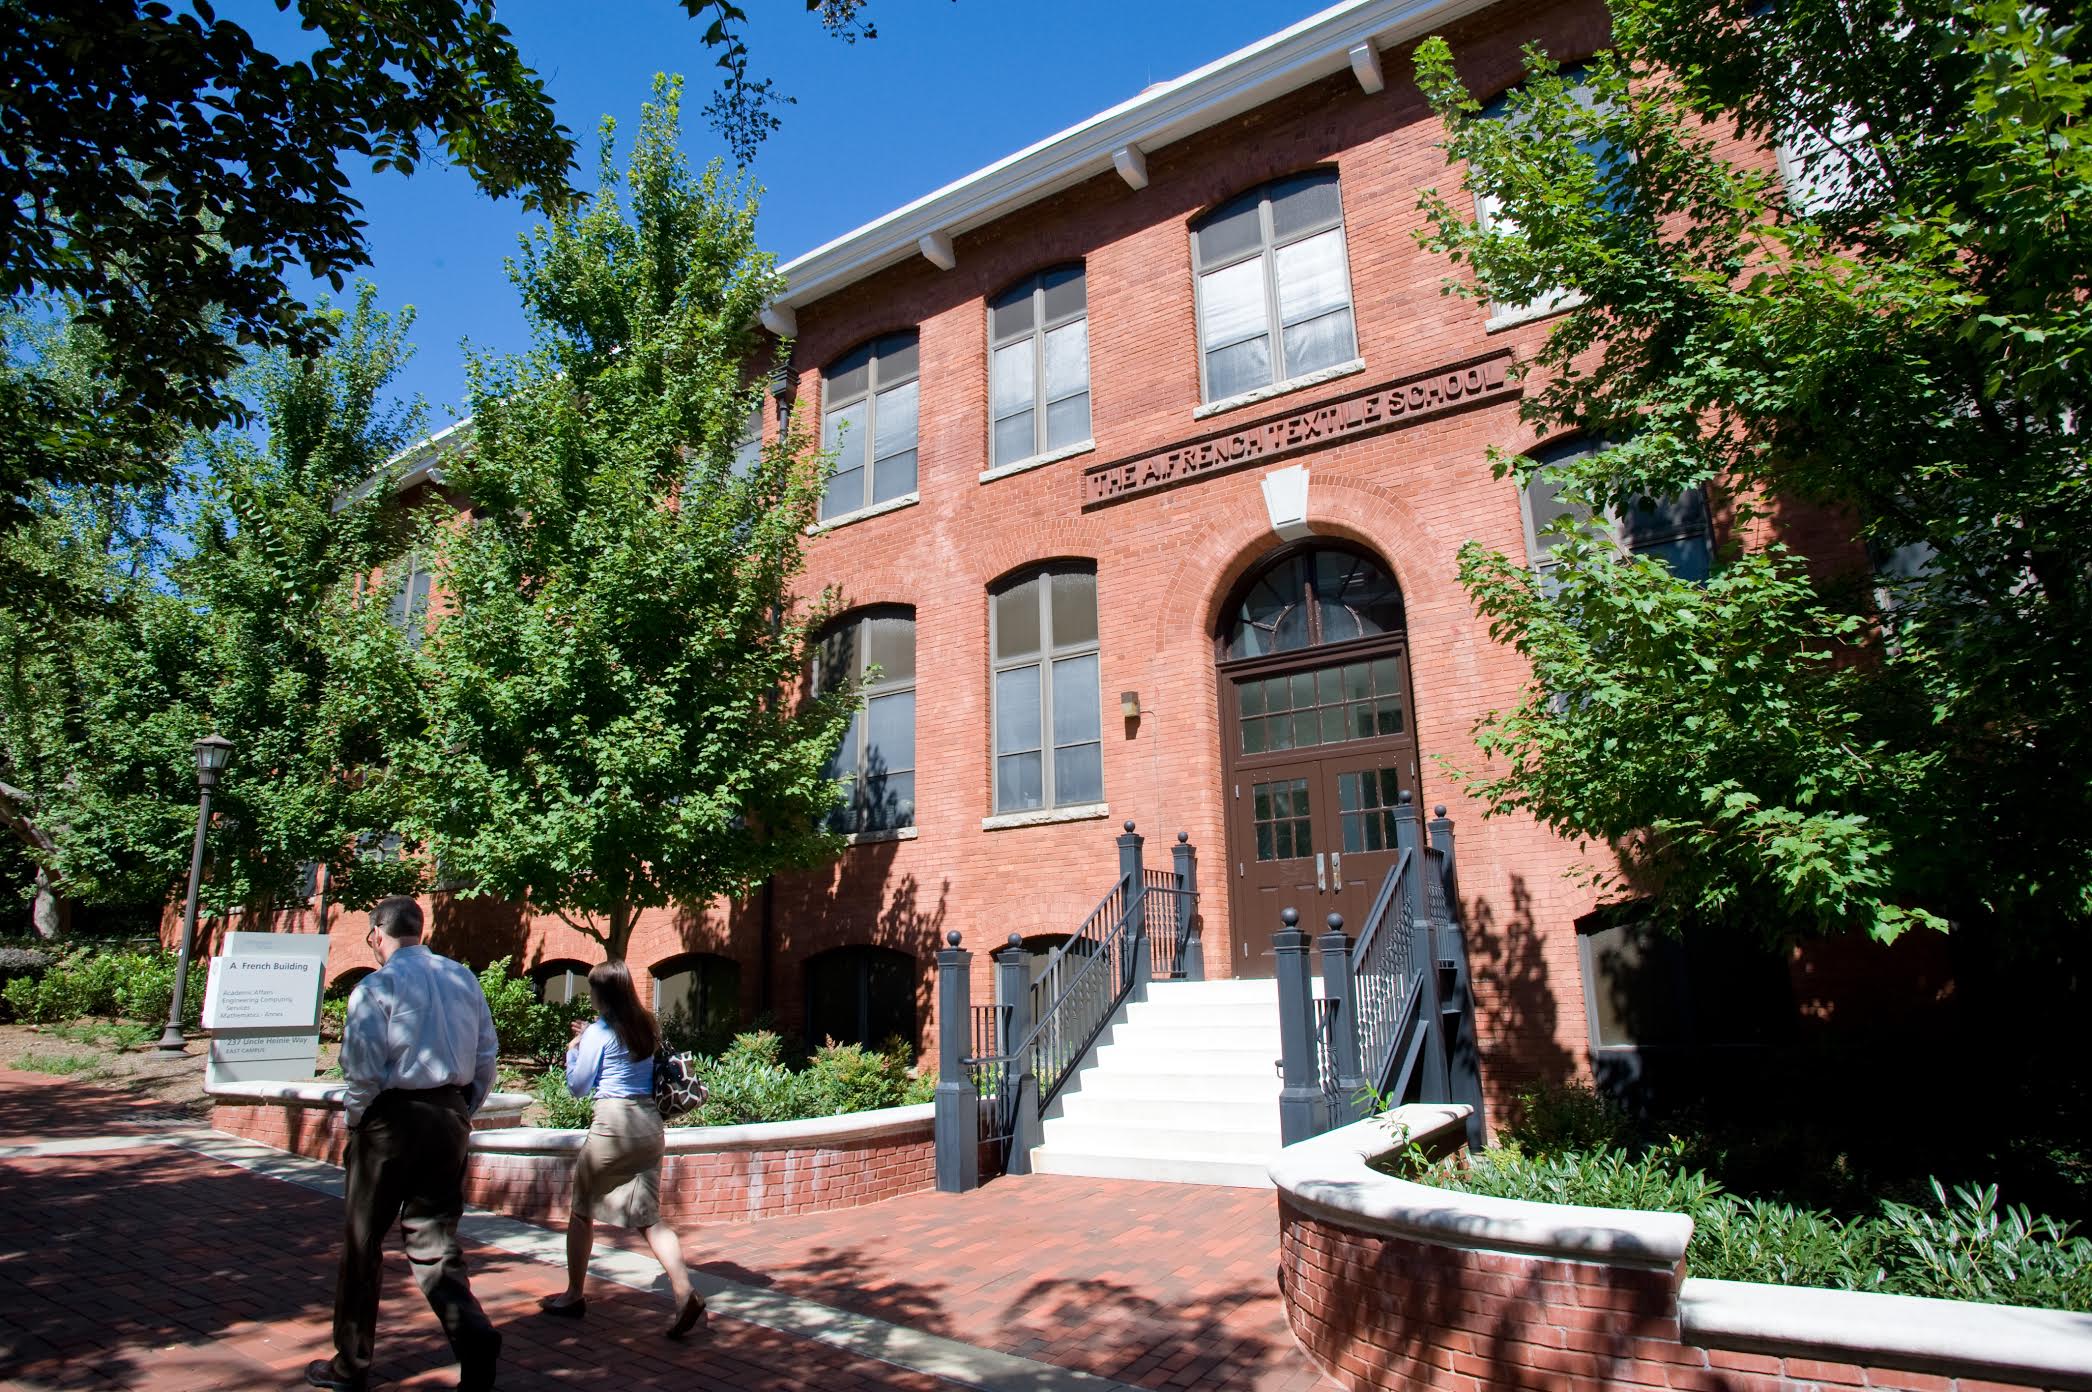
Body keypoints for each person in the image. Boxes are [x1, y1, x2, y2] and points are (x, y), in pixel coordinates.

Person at [306, 896, 502, 1392]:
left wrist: (358, 1123)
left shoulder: (376, 987)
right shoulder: (464, 978)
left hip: (389, 1121)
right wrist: (463, 1108)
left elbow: (362, 1069)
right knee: (435, 1242)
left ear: (376, 933)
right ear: (420, 928)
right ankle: (474, 1338)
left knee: (363, 1241)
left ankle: (351, 1363)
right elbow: (485, 1053)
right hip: (449, 1115)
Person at [538, 959, 706, 1337]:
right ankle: (684, 1291)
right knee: (649, 1218)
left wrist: (574, 1049)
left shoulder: (598, 1034)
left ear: (601, 993)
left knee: (581, 1211)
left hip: (613, 1126)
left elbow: (578, 1086)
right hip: (648, 1125)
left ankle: (574, 1294)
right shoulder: (646, 1024)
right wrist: (590, 1036)